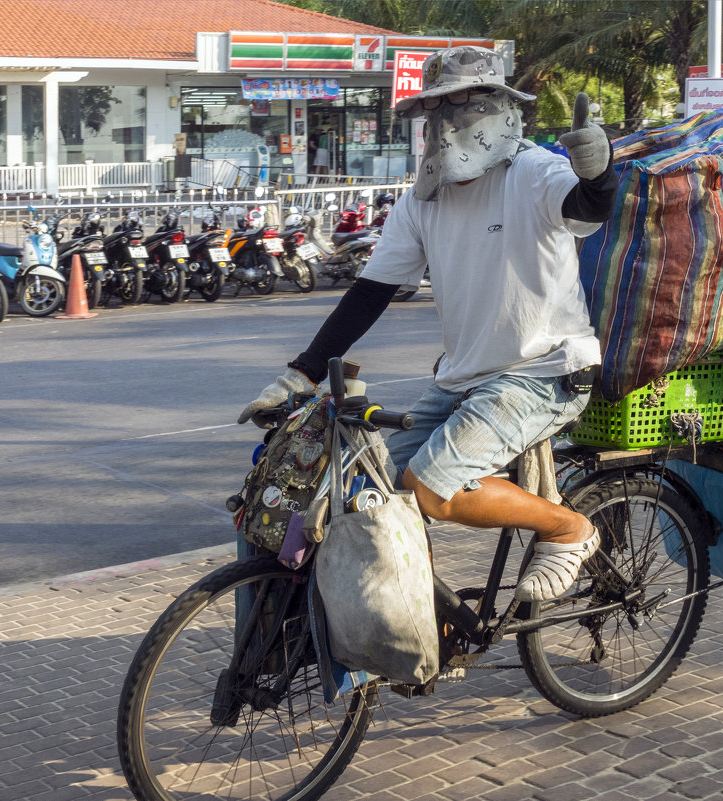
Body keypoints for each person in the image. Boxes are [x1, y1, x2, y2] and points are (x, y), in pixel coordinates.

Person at [239, 45, 618, 602]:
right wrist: (303, 373)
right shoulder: (422, 200)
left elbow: (587, 208)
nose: (449, 125)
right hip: (460, 379)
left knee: (432, 490)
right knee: (358, 490)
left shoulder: (533, 172)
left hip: (543, 372)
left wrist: (599, 174)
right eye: (438, 111)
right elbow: (371, 292)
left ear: (500, 110)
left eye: (465, 108)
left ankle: (571, 529)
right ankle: (414, 612)